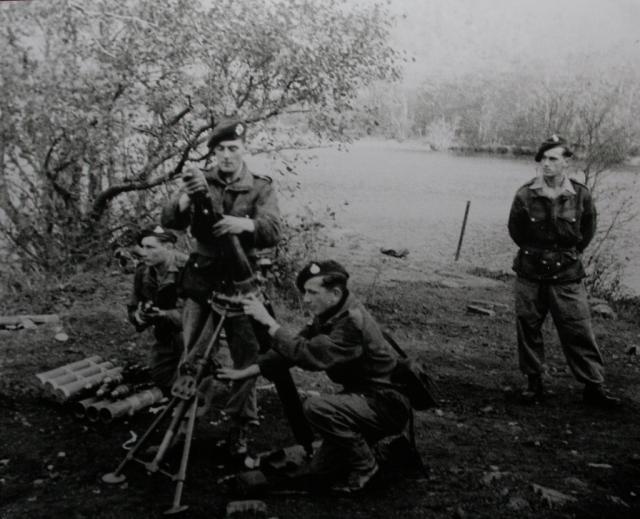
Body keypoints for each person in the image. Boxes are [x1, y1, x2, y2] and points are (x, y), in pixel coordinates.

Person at [217, 260, 411, 493]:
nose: (306, 299)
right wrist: (244, 372)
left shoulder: (351, 321)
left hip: (385, 403)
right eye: (305, 292)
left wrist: (268, 322)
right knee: (320, 470)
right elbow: (290, 351)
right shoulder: (331, 313)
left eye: (312, 292)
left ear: (335, 293)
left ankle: (366, 468)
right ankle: (366, 444)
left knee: (317, 408)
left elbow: (310, 355)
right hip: (364, 398)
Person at [161, 118, 281, 454]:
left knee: (246, 358)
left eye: (233, 149)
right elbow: (168, 221)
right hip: (201, 281)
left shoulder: (260, 187)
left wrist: (239, 223)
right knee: (194, 353)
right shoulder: (200, 181)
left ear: (243, 150)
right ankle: (185, 417)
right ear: (213, 151)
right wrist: (185, 201)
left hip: (242, 283)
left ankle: (240, 426)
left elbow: (272, 229)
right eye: (220, 149)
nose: (226, 156)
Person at [508, 134, 619, 408]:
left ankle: (593, 386)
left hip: (567, 276)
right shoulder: (525, 194)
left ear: (566, 163)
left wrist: (565, 254)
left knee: (578, 328)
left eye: (553, 158)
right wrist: (537, 253)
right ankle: (534, 384)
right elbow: (516, 231)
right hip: (530, 274)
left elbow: (587, 231)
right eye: (543, 159)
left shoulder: (580, 194)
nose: (546, 164)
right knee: (528, 327)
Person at [127, 226, 187, 393]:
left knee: (189, 385)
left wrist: (162, 314)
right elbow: (132, 306)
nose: (143, 252)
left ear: (168, 247)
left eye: (150, 247)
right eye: (143, 247)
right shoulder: (142, 271)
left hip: (192, 336)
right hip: (165, 336)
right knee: (159, 380)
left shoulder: (188, 269)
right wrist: (139, 316)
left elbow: (195, 315)